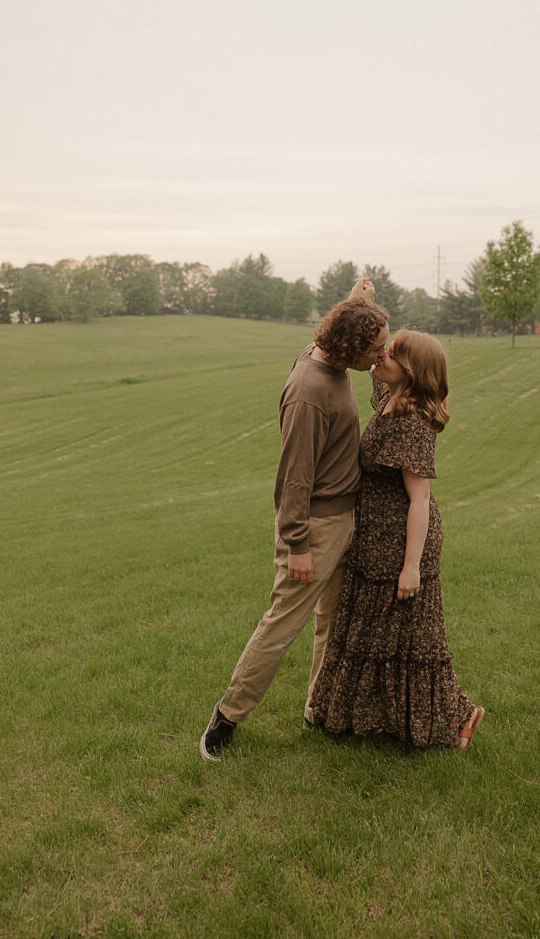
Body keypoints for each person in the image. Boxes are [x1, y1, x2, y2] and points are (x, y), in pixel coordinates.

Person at [200, 282, 390, 760]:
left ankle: (318, 711)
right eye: (375, 348)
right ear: (349, 346)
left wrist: (358, 299)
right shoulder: (309, 393)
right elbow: (294, 480)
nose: (381, 355)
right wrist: (298, 546)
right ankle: (226, 719)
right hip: (317, 529)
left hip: (347, 519)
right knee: (282, 625)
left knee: (332, 622)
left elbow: (348, 321)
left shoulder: (326, 350)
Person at [310, 329, 484, 750]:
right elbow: (363, 356)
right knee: (369, 632)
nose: (382, 355)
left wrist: (411, 566)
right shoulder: (390, 400)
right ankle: (359, 719)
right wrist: (363, 304)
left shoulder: (411, 423)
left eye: (393, 352)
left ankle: (462, 714)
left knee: (414, 641)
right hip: (374, 537)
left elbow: (420, 499)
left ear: (411, 370)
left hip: (402, 543)